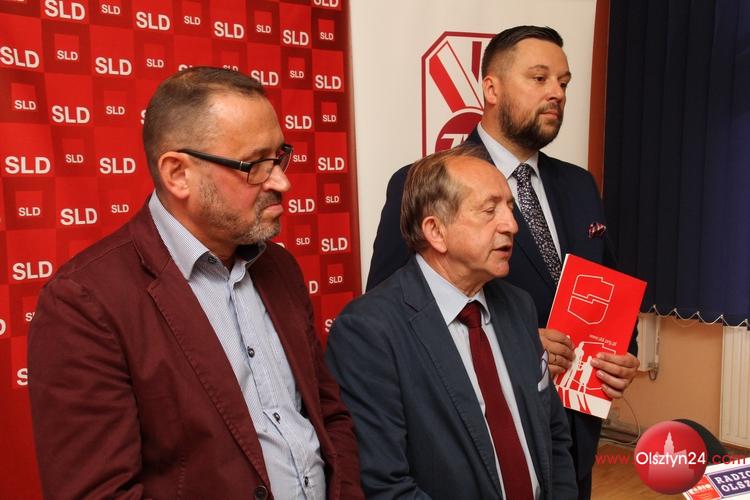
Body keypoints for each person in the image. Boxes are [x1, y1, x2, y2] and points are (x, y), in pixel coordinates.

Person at [28, 67, 363, 500]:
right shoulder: (85, 302)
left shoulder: (279, 267)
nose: (282, 181)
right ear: (178, 174)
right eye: (256, 165)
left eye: (279, 157)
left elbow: (328, 416)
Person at [365, 26, 639, 499]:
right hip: (484, 439)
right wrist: (514, 343)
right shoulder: (423, 183)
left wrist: (623, 352)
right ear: (490, 88)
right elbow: (393, 314)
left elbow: (607, 281)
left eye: (564, 82)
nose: (557, 93)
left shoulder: (579, 185)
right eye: (539, 78)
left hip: (575, 432)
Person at [326, 145, 578, 499]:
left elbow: (553, 436)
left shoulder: (519, 307)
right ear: (436, 231)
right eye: (490, 210)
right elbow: (384, 485)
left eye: (509, 208)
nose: (511, 225)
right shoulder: (368, 332)